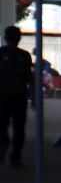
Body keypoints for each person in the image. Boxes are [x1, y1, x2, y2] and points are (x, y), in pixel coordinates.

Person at [0, 25, 34, 167]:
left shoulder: (0, 53)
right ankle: (15, 157)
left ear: (5, 38)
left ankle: (3, 143)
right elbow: (29, 77)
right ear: (19, 38)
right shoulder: (25, 55)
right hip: (19, 96)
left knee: (1, 125)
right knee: (19, 128)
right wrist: (34, 96)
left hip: (1, 96)